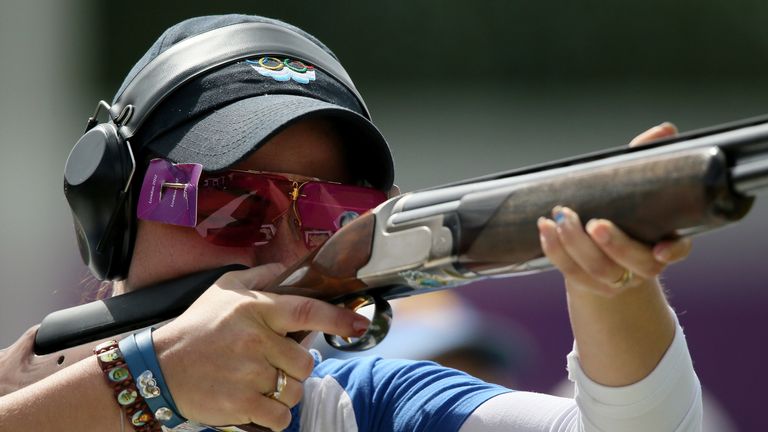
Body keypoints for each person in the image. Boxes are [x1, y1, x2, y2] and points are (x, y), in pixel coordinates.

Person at [0, 14, 702, 432]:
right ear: (112, 205)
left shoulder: (364, 410)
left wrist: (614, 285)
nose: (273, 249)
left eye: (327, 214)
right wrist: (150, 384)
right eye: (225, 202)